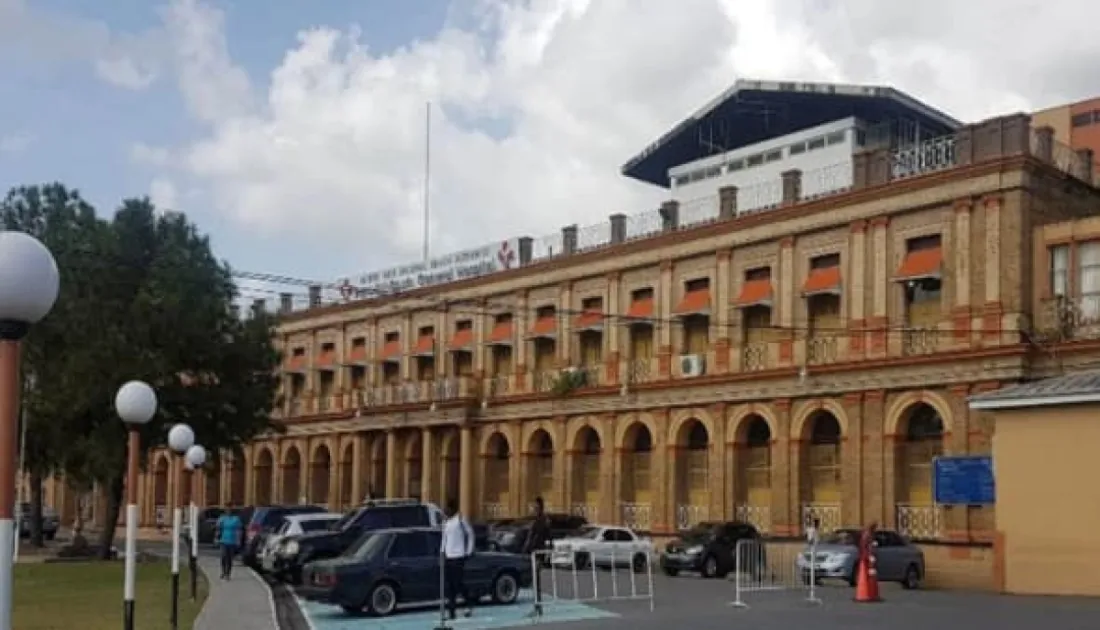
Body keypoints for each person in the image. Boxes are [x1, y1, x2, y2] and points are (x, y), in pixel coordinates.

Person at [440, 500, 475, 620]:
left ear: (452, 509)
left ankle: (469, 601)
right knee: (450, 586)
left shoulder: (460, 519)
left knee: (458, 584)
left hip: (459, 556)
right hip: (448, 556)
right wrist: (442, 552)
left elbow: (470, 534)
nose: (445, 511)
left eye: (447, 509)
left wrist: (468, 551)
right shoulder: (446, 522)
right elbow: (444, 539)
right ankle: (451, 612)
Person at [522, 496, 551, 617]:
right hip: (534, 552)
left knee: (536, 581)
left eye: (535, 507)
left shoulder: (543, 520)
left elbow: (545, 537)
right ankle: (537, 607)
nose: (534, 509)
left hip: (538, 553)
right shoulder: (538, 520)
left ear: (540, 507)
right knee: (534, 581)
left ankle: (538, 607)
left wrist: (546, 553)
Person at [214, 509, 243, 580]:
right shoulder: (222, 519)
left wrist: (238, 539)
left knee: (229, 558)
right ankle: (223, 572)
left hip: (232, 541)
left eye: (230, 510)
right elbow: (218, 529)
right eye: (227, 510)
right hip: (223, 540)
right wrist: (216, 538)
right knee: (223, 556)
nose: (228, 511)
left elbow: (239, 530)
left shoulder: (236, 519)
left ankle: (228, 574)